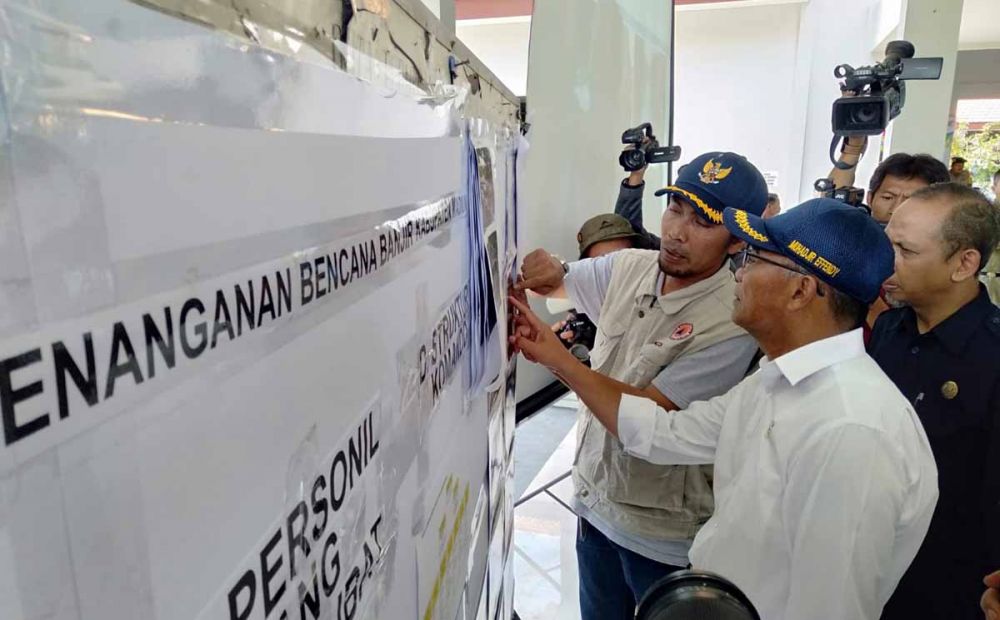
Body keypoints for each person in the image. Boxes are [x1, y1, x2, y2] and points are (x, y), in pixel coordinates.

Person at [510, 198, 938, 620]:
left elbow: (829, 609)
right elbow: (663, 433)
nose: (738, 273)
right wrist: (557, 359)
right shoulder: (774, 382)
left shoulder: (852, 429)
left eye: (753, 258)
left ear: (800, 290)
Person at [517, 151, 767, 620]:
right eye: (675, 208)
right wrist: (548, 267)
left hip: (662, 536)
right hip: (594, 504)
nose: (676, 231)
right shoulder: (629, 267)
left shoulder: (730, 322)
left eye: (702, 222)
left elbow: (648, 418)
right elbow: (560, 284)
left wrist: (560, 361)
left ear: (737, 241)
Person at [871, 183, 1000, 620]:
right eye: (887, 243)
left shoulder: (993, 357)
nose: (885, 262)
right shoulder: (890, 330)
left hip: (951, 587)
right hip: (876, 566)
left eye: (905, 251)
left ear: (964, 263)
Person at [552, 214, 642, 355]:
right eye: (601, 264)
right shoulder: (584, 310)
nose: (611, 270)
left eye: (622, 259)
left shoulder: (657, 294)